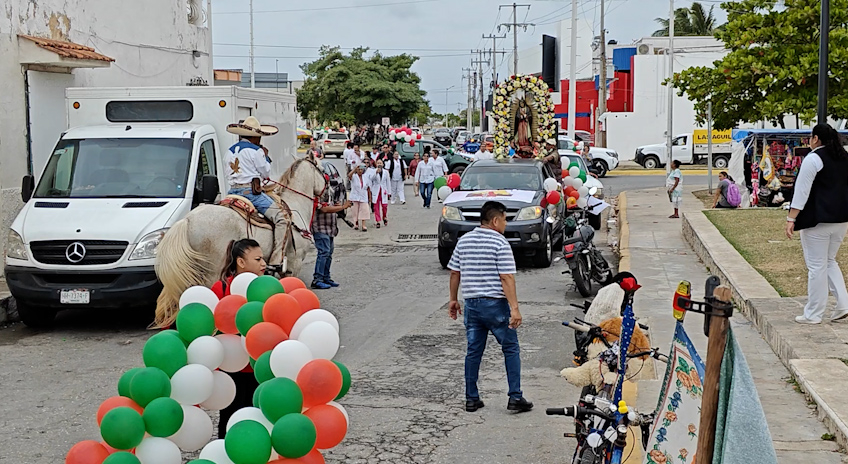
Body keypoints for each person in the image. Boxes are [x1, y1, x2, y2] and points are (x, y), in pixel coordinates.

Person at [447, 201, 533, 413]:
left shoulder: (464, 241)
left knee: (473, 351)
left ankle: (471, 398)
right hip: (496, 305)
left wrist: (453, 299)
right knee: (510, 348)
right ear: (495, 220)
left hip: (472, 305)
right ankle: (515, 396)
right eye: (504, 219)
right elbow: (506, 278)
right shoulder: (500, 243)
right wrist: (514, 308)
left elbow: (454, 272)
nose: (506, 224)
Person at [786, 123, 848, 324]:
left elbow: (801, 192)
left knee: (816, 266)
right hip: (841, 219)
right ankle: (843, 305)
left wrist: (791, 218)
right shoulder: (844, 157)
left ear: (815, 139)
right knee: (829, 261)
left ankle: (813, 313)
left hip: (818, 220)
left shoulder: (814, 159)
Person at [210, 238, 265, 439]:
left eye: (263, 259)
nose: (263, 264)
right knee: (229, 417)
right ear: (241, 262)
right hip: (230, 368)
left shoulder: (266, 288)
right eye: (258, 259)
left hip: (258, 366)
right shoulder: (221, 288)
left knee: (256, 416)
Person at [223, 116, 288, 264]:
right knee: (281, 218)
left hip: (232, 192)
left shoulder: (229, 151)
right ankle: (276, 259)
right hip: (251, 193)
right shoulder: (256, 150)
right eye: (259, 137)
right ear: (255, 137)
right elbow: (266, 173)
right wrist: (266, 156)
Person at [311, 184, 352, 290]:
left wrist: (337, 206)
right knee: (323, 253)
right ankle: (317, 279)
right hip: (320, 228)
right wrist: (343, 207)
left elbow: (332, 207)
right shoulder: (317, 196)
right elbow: (324, 209)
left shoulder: (330, 195)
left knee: (328, 254)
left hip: (330, 229)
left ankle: (326, 277)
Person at [347, 163, 371, 231]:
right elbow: (349, 175)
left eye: (361, 169)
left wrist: (370, 197)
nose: (360, 171)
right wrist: (354, 169)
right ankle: (356, 224)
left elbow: (368, 187)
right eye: (359, 170)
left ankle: (363, 225)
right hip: (355, 196)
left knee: (364, 210)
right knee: (355, 211)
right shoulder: (354, 176)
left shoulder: (366, 177)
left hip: (363, 196)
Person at [370, 159, 392, 227]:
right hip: (376, 191)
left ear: (383, 164)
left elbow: (388, 182)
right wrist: (376, 172)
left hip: (383, 191)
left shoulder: (386, 172)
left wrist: (389, 192)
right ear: (376, 164)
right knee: (376, 207)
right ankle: (378, 221)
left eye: (380, 163)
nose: (379, 164)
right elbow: (371, 179)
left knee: (384, 206)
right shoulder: (373, 171)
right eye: (378, 163)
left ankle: (384, 217)